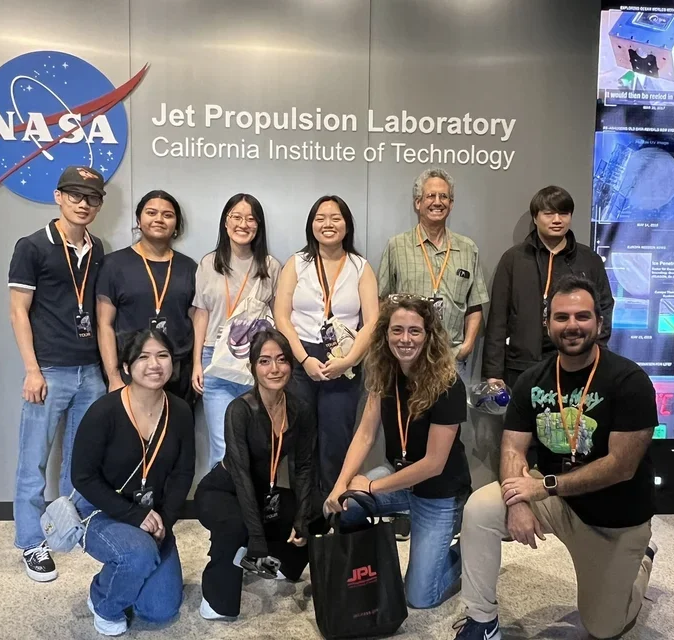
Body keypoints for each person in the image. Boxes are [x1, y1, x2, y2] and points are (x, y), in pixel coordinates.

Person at [455, 275, 658, 640]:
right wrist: (516, 502)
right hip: (555, 500)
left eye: (582, 316)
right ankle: (481, 620)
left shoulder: (629, 381)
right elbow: (513, 448)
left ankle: (642, 560)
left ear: (599, 322)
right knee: (481, 508)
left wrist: (543, 486)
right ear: (548, 324)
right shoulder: (533, 379)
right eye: (562, 317)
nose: (572, 326)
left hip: (614, 519)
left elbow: (621, 467)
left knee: (604, 628)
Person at [325, 294, 470, 609]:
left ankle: (465, 554)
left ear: (428, 335)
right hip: (401, 479)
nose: (405, 339)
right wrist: (340, 484)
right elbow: (365, 434)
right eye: (397, 330)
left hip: (438, 493)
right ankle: (366, 570)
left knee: (419, 598)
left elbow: (433, 464)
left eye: (415, 331)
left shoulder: (448, 384)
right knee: (349, 503)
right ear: (385, 334)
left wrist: (373, 486)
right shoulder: (383, 372)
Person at [7, 165, 107, 582]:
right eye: (75, 195)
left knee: (81, 458)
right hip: (48, 370)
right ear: (58, 197)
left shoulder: (98, 248)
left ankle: (68, 528)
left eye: (92, 198)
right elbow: (18, 311)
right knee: (34, 460)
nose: (83, 203)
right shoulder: (31, 247)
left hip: (91, 370)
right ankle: (32, 542)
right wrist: (31, 369)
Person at [71, 329, 195, 636]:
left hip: (152, 515)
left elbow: (183, 474)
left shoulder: (179, 411)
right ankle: (103, 600)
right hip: (101, 511)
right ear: (126, 367)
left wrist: (164, 520)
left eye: (162, 355)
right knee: (138, 554)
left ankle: (128, 570)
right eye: (143, 357)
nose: (154, 364)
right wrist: (135, 517)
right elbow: (82, 477)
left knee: (159, 610)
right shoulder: (104, 411)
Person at [194, 329, 321, 620]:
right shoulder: (239, 410)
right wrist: (256, 537)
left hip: (265, 492)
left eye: (281, 360)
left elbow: (303, 468)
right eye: (264, 361)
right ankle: (216, 599)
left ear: (291, 364)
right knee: (237, 525)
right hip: (222, 490)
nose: (274, 369)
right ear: (253, 367)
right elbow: (240, 475)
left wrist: (301, 518)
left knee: (313, 510)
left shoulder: (300, 409)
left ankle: (281, 564)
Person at [274, 195, 378, 491]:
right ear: (311, 225)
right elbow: (282, 316)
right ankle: (304, 517)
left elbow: (371, 321)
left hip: (344, 361)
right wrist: (304, 360)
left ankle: (333, 510)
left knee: (336, 440)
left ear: (347, 225)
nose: (328, 224)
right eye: (320, 218)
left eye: (335, 218)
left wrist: (349, 361)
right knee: (300, 439)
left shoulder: (360, 267)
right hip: (300, 359)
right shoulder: (297, 263)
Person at [482, 185, 614, 390]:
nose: (557, 220)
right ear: (535, 218)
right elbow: (498, 317)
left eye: (563, 213)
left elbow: (604, 307)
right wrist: (493, 372)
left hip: (576, 364)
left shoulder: (589, 260)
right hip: (522, 366)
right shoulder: (514, 259)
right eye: (549, 213)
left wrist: (598, 350)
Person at [191, 194, 281, 471]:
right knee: (222, 444)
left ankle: (253, 509)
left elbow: (279, 320)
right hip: (214, 361)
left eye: (251, 218)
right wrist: (197, 362)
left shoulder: (270, 266)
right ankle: (223, 509)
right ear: (226, 222)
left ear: (259, 225)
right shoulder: (209, 263)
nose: (243, 224)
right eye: (236, 217)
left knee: (257, 442)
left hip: (255, 364)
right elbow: (201, 313)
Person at [377, 168, 488, 371]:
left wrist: (467, 346)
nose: (437, 202)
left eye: (443, 196)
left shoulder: (467, 248)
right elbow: (382, 301)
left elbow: (475, 306)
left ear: (451, 204)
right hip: (407, 359)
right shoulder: (397, 246)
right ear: (418, 203)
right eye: (430, 196)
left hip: (451, 359)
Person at [96, 190, 197, 405]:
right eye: (151, 213)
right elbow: (104, 324)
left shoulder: (189, 267)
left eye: (167, 215)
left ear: (176, 225)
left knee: (175, 436)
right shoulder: (114, 264)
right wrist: (114, 377)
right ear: (138, 220)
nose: (159, 219)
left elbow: (196, 321)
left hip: (178, 373)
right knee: (130, 437)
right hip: (131, 371)